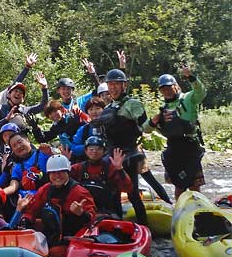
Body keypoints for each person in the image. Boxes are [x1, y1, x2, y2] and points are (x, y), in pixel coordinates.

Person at [95, 69, 171, 225]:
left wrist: (158, 121)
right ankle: (118, 225)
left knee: (133, 193)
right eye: (110, 84)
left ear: (124, 86)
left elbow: (144, 126)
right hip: (112, 155)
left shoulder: (133, 104)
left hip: (130, 154)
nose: (113, 88)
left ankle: (149, 222)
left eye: (116, 84)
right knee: (114, 193)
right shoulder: (109, 107)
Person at [11, 154, 96, 257]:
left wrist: (82, 214)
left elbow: (92, 220)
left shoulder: (79, 192)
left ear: (68, 172)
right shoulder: (45, 189)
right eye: (53, 173)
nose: (57, 176)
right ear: (49, 174)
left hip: (70, 238)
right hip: (51, 234)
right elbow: (32, 211)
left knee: (54, 253)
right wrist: (25, 222)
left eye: (61, 172)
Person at [144, 65, 206, 199]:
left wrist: (190, 77)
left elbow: (201, 93)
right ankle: (179, 211)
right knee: (179, 185)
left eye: (169, 87)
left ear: (176, 86)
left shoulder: (188, 99)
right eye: (163, 89)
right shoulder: (162, 110)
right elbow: (146, 129)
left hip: (190, 146)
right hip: (173, 148)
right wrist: (154, 121)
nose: (167, 91)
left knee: (194, 184)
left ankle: (199, 213)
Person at [69, 137, 132, 218]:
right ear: (86, 151)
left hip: (107, 212)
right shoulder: (79, 167)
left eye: (98, 149)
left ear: (104, 152)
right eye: (91, 149)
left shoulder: (110, 168)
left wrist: (120, 169)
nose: (94, 152)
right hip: (84, 210)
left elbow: (127, 188)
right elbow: (61, 180)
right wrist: (66, 164)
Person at [0, 72, 49, 145]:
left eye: (21, 93)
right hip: (4, 147)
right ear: (8, 95)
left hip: (23, 144)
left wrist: (44, 88)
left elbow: (43, 106)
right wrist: (6, 120)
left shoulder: (24, 110)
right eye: (16, 91)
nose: (18, 93)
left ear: (23, 99)